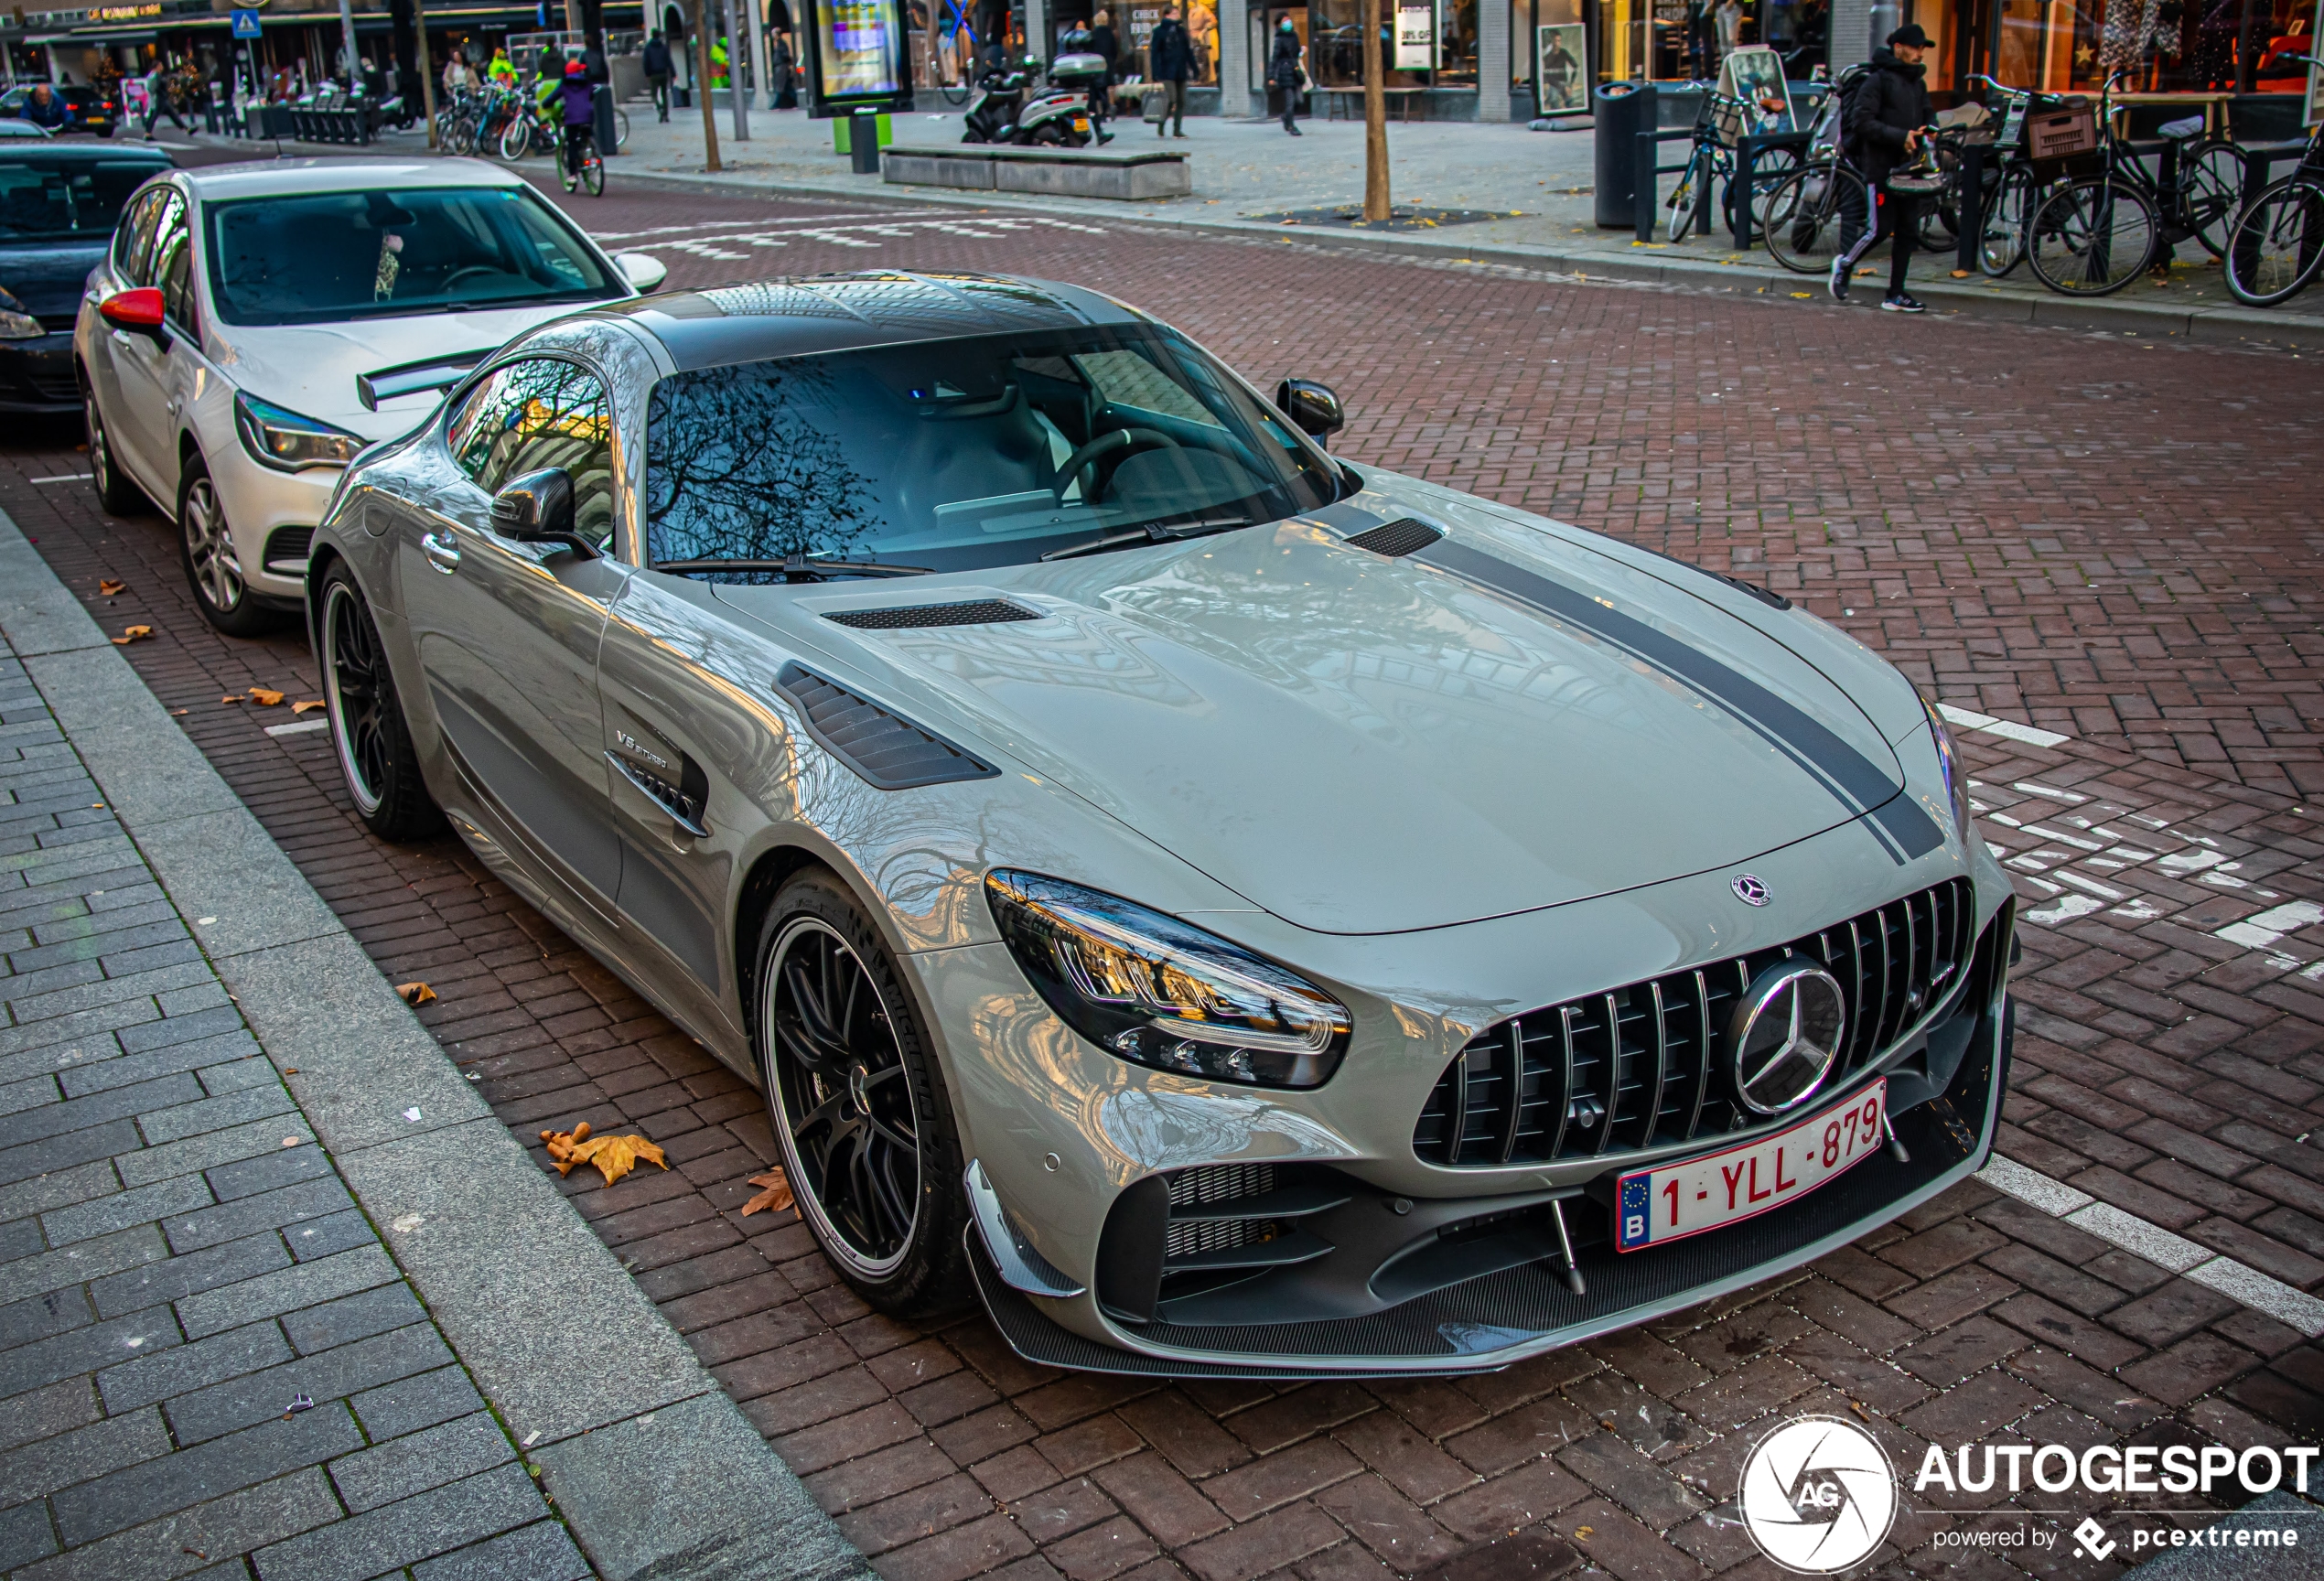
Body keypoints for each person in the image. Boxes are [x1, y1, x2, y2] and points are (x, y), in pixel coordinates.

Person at [1830, 22, 1934, 312]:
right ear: (1898, 48)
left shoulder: (1918, 82)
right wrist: (1901, 136)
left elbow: (1927, 112)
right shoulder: (1877, 81)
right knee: (1879, 229)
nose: (1920, 53)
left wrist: (1931, 127)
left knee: (1908, 231)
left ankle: (1896, 293)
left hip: (1910, 168)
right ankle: (1845, 265)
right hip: (1882, 168)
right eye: (1916, 47)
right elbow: (1862, 122)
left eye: (1923, 48)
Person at [1148, 1, 1191, 137]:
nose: (1177, 15)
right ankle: (1161, 123)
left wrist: (1193, 68)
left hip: (1180, 70)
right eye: (1174, 13)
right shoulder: (1159, 32)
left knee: (1181, 100)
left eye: (1177, 13)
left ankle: (1177, 129)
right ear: (1167, 15)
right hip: (1167, 71)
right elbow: (1155, 53)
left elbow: (1187, 51)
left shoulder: (1180, 31)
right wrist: (1155, 72)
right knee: (1171, 99)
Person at [558, 58, 597, 177]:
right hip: (587, 114)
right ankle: (595, 151)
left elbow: (553, 97)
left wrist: (545, 104)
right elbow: (591, 95)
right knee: (588, 132)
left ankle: (572, 174)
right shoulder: (587, 82)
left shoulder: (564, 84)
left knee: (572, 144)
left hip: (571, 118)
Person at [1267, 16, 1302, 134]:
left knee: (1299, 100)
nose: (1288, 23)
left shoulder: (1294, 36)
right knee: (1290, 100)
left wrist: (1302, 52)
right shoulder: (1279, 38)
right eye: (1285, 21)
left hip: (1295, 71)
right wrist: (1271, 76)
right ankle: (1291, 126)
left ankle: (1286, 117)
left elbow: (1296, 53)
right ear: (1281, 25)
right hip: (1284, 72)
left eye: (1289, 20)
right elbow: (1275, 58)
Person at [141, 60, 189, 139]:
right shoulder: (155, 75)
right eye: (161, 65)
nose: (162, 67)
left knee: (171, 114)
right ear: (157, 67)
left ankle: (186, 128)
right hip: (159, 100)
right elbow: (152, 88)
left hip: (160, 99)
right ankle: (148, 134)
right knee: (154, 116)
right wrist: (161, 94)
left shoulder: (154, 75)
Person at [644, 29, 673, 120]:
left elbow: (646, 62)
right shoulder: (663, 47)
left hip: (653, 74)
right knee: (664, 94)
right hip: (663, 73)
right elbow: (669, 60)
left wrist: (647, 73)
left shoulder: (648, 48)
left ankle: (660, 108)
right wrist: (673, 73)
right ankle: (666, 113)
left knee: (653, 95)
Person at [770, 31, 797, 106]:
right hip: (781, 67)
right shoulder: (778, 44)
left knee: (780, 86)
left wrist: (783, 62)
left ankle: (776, 104)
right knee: (787, 87)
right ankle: (795, 101)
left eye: (773, 34)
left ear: (777, 34)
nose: (772, 36)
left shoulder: (781, 44)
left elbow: (785, 55)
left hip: (781, 67)